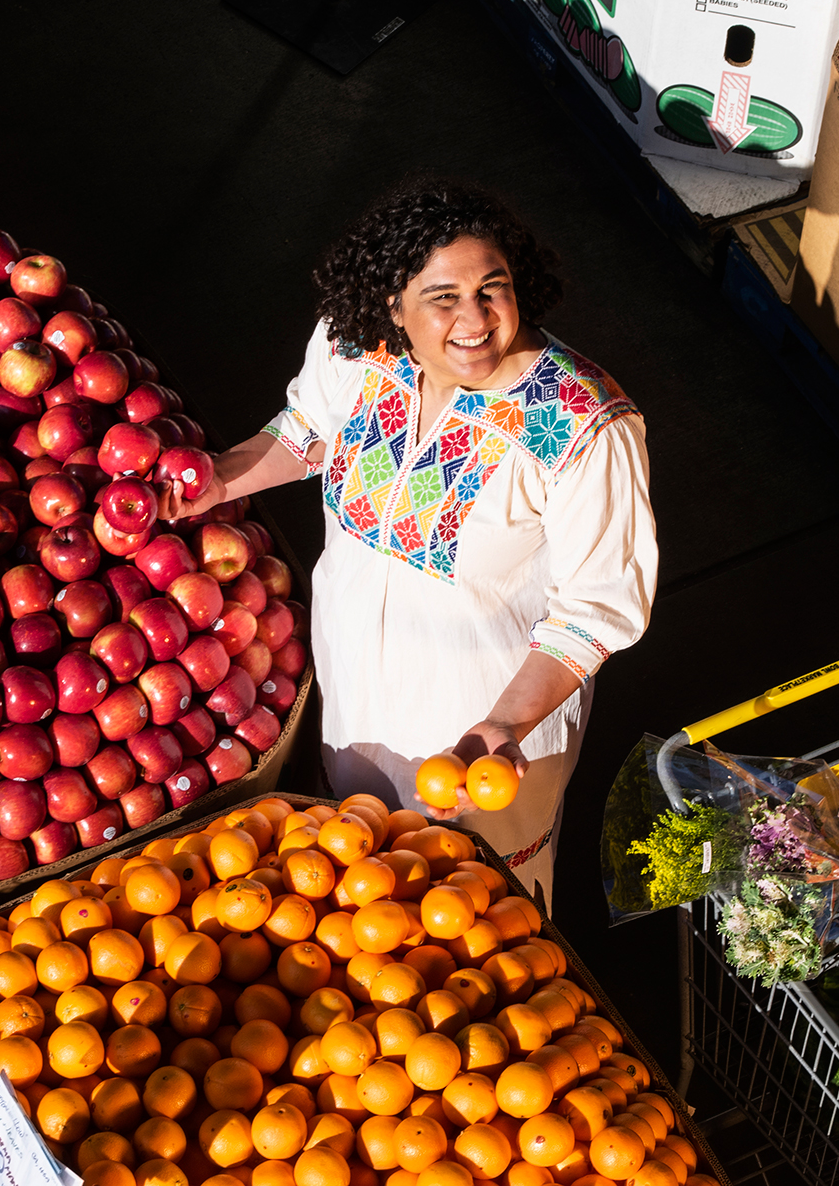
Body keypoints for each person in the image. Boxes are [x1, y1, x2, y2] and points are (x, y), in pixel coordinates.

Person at [165, 178, 657, 905]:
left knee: (477, 924)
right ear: (392, 303)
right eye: (444, 297)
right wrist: (221, 479)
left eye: (493, 287)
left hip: (486, 739)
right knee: (350, 904)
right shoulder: (358, 345)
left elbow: (596, 609)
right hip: (360, 702)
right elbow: (310, 431)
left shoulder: (582, 425)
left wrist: (505, 722)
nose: (476, 318)